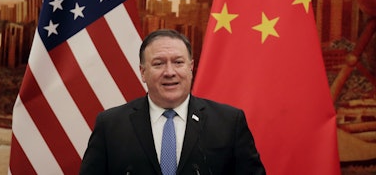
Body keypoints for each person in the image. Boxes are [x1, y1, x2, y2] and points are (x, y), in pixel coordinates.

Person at [79, 29, 265, 174]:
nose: (169, 72)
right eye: (158, 63)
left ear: (191, 68)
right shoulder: (111, 125)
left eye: (178, 62)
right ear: (143, 72)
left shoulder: (229, 122)